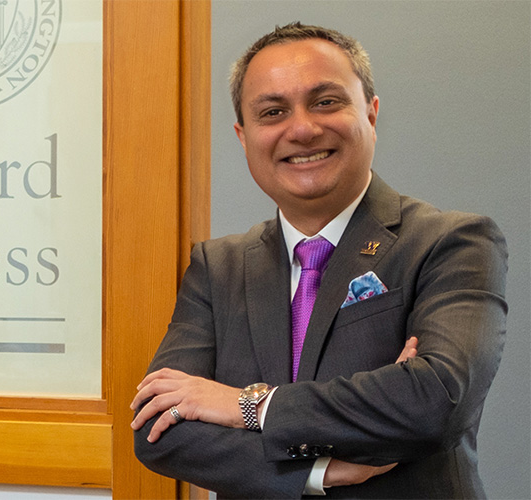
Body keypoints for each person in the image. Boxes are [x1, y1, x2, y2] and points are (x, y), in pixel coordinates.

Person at [131, 22, 507, 498]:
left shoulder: (451, 242)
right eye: (273, 111)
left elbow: (435, 401)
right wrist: (320, 471)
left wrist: (246, 406)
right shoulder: (217, 266)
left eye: (326, 102)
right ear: (243, 136)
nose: (303, 128)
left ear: (370, 113)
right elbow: (159, 429)